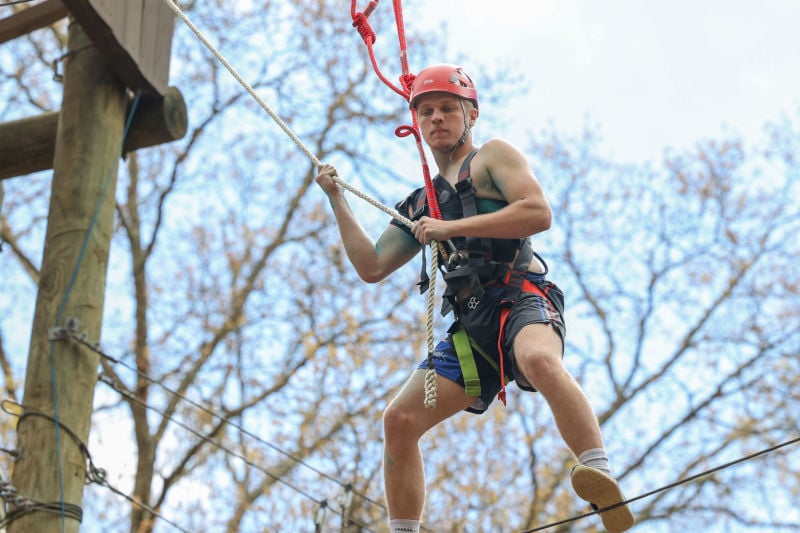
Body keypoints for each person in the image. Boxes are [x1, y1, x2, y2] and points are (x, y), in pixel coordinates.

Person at [315, 63, 634, 533]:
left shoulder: (492, 158)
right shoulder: (420, 203)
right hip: (472, 326)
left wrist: (451, 228)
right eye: (426, 112)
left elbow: (537, 212)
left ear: (471, 114)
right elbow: (372, 266)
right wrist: (336, 199)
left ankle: (599, 472)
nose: (436, 118)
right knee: (399, 420)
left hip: (520, 295)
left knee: (538, 361)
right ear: (416, 123)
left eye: (448, 108)